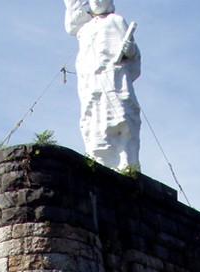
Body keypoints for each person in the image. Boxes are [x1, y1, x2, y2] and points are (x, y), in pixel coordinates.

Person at [64, 0, 141, 171]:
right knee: (93, 124)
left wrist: (130, 50)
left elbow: (134, 59)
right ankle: (97, 162)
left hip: (115, 81)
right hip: (92, 84)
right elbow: (72, 22)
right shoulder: (85, 28)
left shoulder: (116, 21)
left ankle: (126, 164)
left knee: (122, 119)